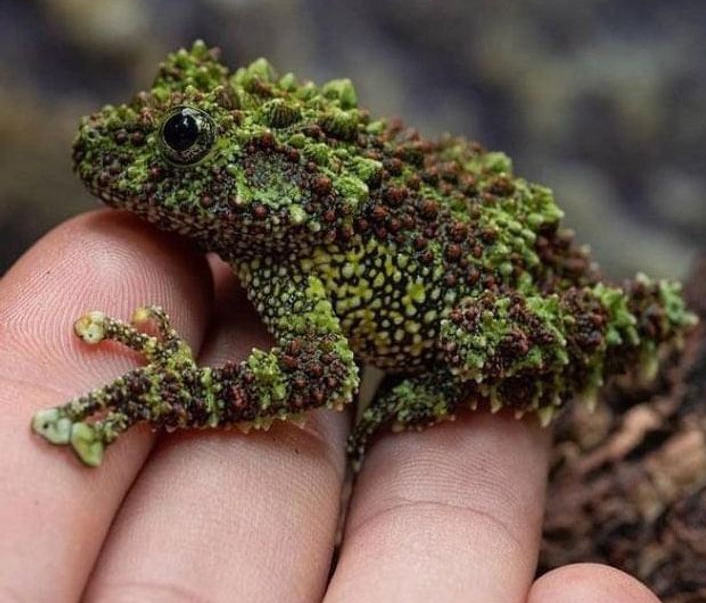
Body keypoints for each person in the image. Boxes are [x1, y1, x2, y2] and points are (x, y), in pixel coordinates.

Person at [0, 210, 661, 602]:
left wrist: (172, 391)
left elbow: (320, 372)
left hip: (496, 284)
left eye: (181, 139)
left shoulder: (285, 258)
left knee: (476, 338)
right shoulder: (270, 245)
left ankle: (461, 377)